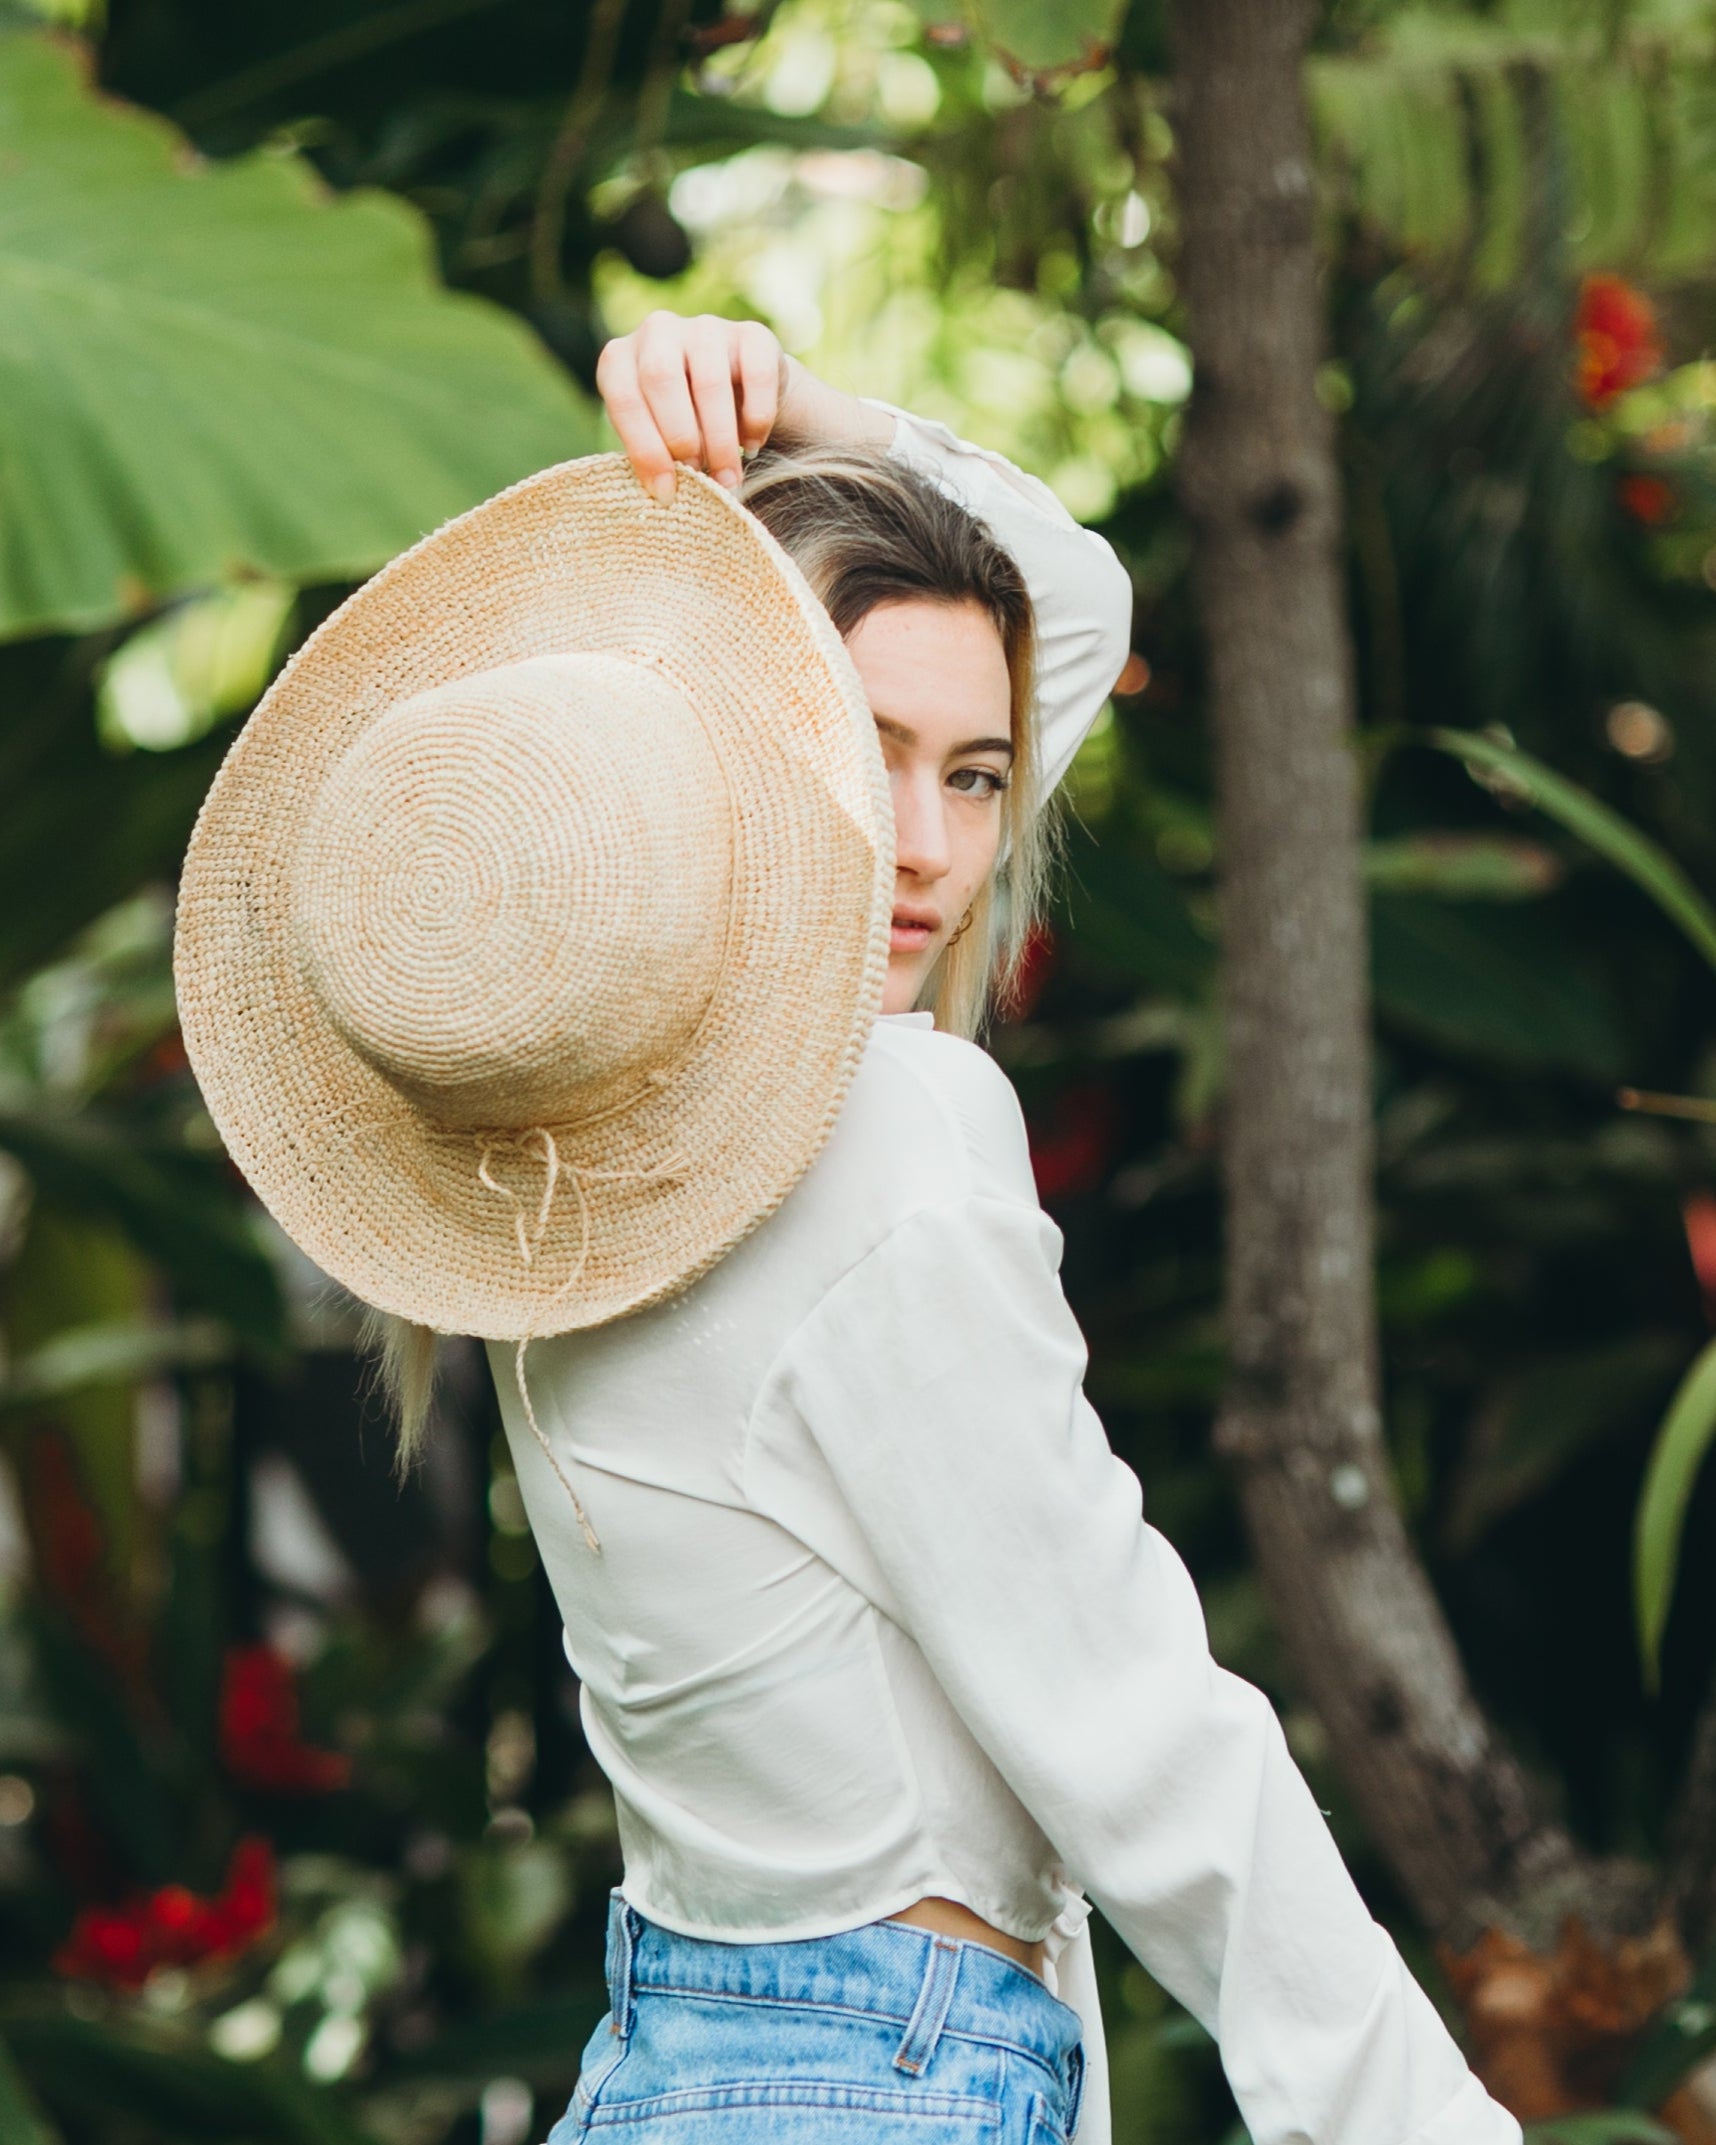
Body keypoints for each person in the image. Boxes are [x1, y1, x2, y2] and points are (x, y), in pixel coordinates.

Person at [170, 307, 1524, 2145]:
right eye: (867, 752)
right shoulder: (881, 1127)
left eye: (975, 773)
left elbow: (1056, 610)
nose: (934, 851)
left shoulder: (565, 1148)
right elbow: (1138, 1720)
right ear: (731, 765)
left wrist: (809, 430)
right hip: (874, 2082)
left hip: (675, 2061)